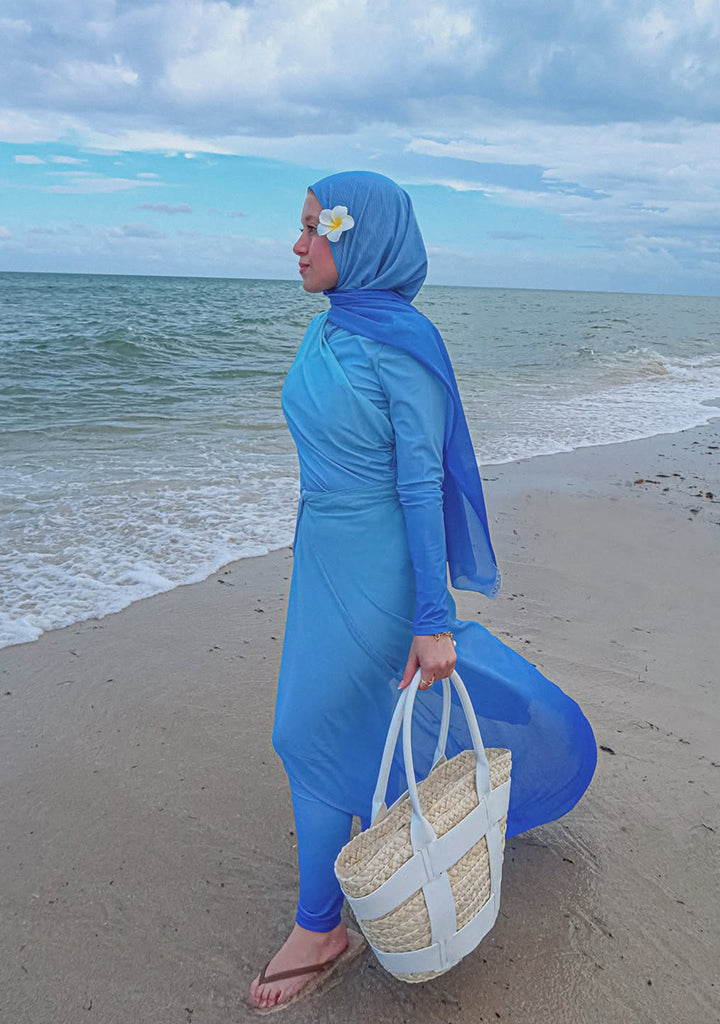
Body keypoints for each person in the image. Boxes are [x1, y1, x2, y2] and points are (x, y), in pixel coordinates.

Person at [248, 172, 596, 1012]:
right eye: (300, 227)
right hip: (322, 561)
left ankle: (319, 926)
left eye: (314, 228)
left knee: (302, 729)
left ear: (360, 238)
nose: (297, 244)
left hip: (382, 567)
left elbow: (421, 487)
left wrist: (434, 619)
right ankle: (351, 877)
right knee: (343, 722)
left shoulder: (404, 347)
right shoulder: (329, 329)